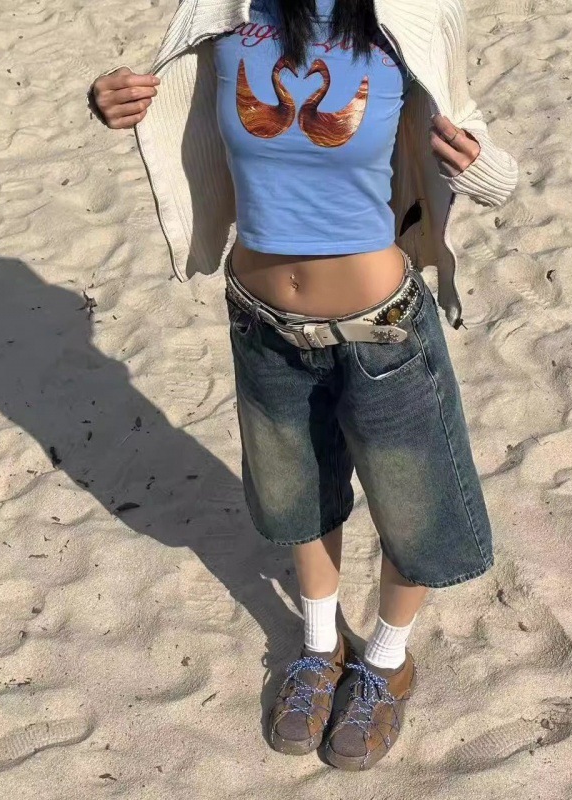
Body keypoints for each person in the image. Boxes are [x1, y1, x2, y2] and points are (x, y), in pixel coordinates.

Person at [88, 0, 518, 771]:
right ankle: (321, 648)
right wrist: (112, 101)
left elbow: (487, 155)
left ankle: (386, 661)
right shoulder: (224, 9)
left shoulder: (413, 14)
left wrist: (479, 165)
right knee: (296, 497)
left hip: (382, 327)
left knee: (414, 507)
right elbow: (171, 94)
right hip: (260, 320)